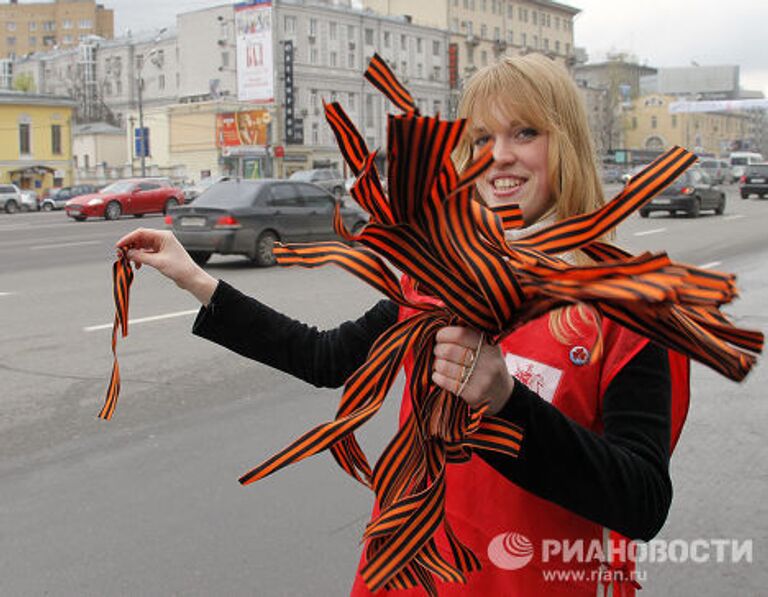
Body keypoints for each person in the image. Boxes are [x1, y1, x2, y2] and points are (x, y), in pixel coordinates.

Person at [116, 54, 688, 596]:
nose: (501, 156)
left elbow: (641, 502)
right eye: (481, 139)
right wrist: (195, 279)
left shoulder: (627, 310)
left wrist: (508, 402)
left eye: (525, 133)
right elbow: (325, 358)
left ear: (567, 145)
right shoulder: (435, 279)